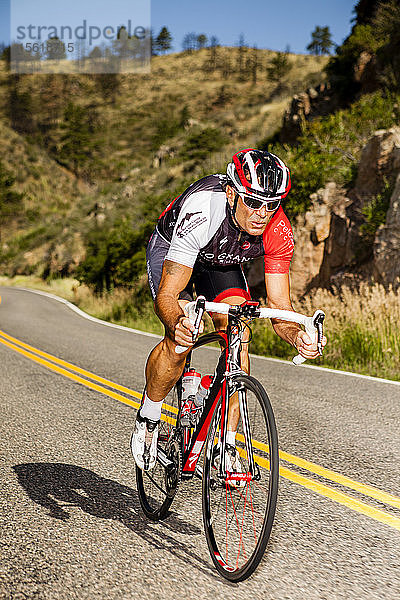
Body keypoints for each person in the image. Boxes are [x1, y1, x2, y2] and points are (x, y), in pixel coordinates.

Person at [131, 148, 327, 471]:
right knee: (181, 336)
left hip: (221, 261)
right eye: (253, 201)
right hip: (175, 250)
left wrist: (297, 337)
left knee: (239, 332)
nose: (262, 213)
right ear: (232, 193)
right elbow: (166, 295)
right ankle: (149, 416)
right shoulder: (203, 210)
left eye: (272, 204)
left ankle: (228, 444)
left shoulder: (278, 231)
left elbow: (280, 308)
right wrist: (177, 320)